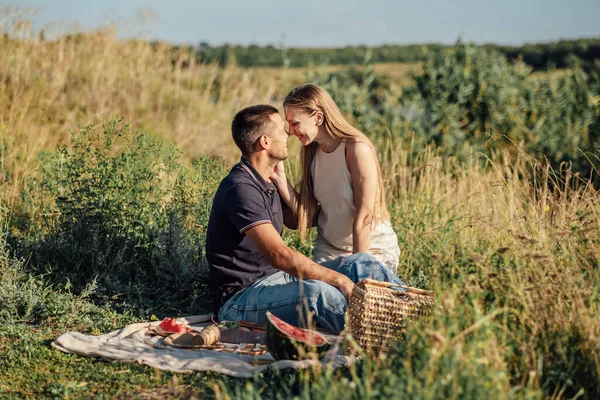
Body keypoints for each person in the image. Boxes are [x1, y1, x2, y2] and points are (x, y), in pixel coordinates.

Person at [205, 104, 405, 334]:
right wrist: (337, 279)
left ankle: (420, 316)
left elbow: (303, 221)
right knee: (321, 294)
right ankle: (396, 337)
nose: (288, 133)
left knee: (360, 263)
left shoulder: (265, 181)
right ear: (265, 142)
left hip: (275, 280)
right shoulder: (241, 189)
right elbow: (280, 255)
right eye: (282, 129)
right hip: (240, 301)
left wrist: (283, 184)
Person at [273, 84, 400, 274]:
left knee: (352, 296)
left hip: (372, 250)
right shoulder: (310, 151)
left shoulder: (356, 149)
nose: (290, 131)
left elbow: (365, 217)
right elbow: (310, 216)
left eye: (295, 123)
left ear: (318, 117)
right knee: (312, 294)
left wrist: (358, 270)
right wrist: (280, 177)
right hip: (329, 249)